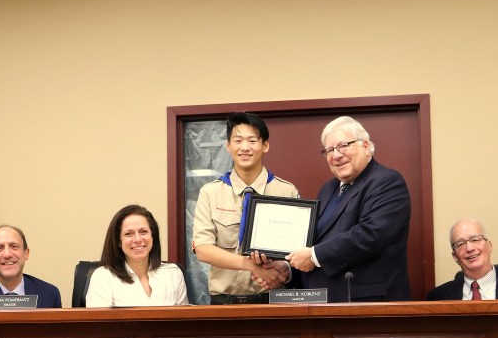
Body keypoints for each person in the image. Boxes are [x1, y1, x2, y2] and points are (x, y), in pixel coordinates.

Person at [287, 116, 411, 302]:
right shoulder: (327, 189)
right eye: (329, 150)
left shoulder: (387, 182)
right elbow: (314, 242)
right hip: (319, 304)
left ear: (365, 146)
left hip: (367, 306)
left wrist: (314, 256)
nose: (336, 155)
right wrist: (288, 270)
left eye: (343, 145)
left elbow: (370, 235)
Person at [192, 112, 299, 304]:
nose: (245, 147)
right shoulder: (210, 193)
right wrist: (251, 265)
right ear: (228, 146)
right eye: (238, 140)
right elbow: (203, 249)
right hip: (223, 302)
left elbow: (298, 251)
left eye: (252, 140)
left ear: (265, 145)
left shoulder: (286, 191)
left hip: (273, 300)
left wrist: (284, 270)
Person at [86, 204, 189, 307]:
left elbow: (184, 321)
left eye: (143, 232)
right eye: (128, 234)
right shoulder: (103, 277)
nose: (138, 239)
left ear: (152, 236)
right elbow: (98, 322)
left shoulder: (173, 274)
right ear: (118, 241)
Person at [426, 219, 498, 300]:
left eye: (475, 239)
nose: (469, 248)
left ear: (489, 246)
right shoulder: (437, 297)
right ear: (455, 257)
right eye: (460, 244)